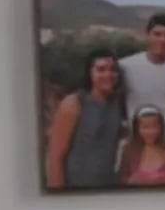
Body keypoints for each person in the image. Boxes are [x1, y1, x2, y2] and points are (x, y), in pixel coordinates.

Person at [46, 49, 123, 189]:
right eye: (101, 69)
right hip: (75, 189)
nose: (108, 74)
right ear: (90, 73)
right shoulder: (73, 104)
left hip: (108, 187)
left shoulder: (116, 103)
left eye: (113, 70)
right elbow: (55, 157)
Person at [118, 13, 165, 153]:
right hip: (138, 146)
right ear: (147, 34)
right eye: (157, 34)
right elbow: (116, 102)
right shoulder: (125, 66)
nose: (163, 40)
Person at [119, 105, 165, 186]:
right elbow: (123, 177)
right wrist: (131, 181)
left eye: (155, 127)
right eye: (145, 127)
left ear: (161, 127)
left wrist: (160, 183)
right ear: (137, 128)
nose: (151, 132)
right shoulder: (129, 150)